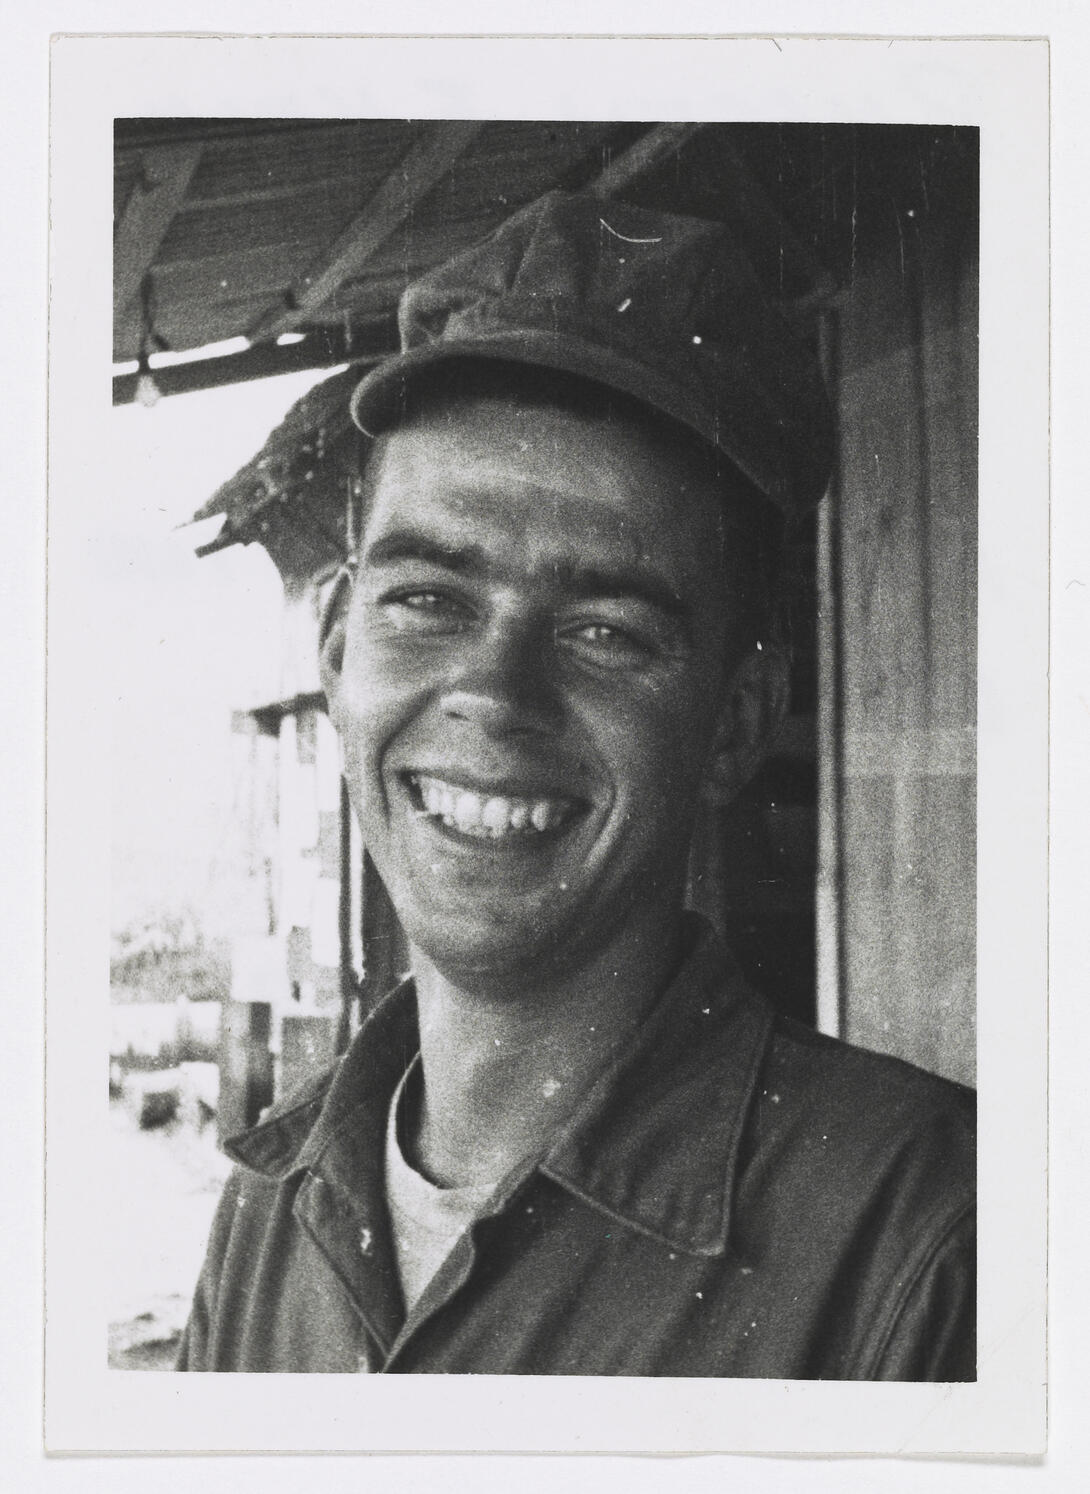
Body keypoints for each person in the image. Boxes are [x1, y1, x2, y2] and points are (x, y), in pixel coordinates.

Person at [177, 191, 975, 1377]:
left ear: (734, 722)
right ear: (339, 648)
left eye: (606, 631)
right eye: (430, 600)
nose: (493, 694)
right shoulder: (264, 1213)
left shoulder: (927, 1246)